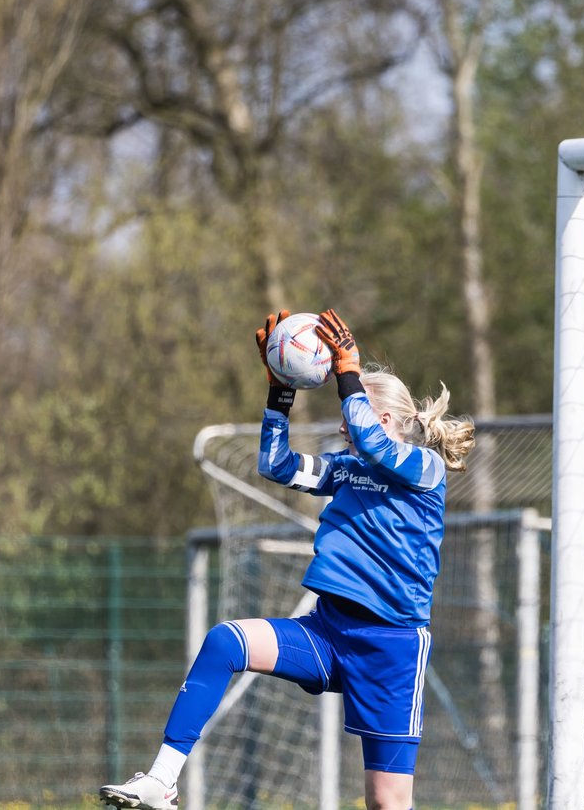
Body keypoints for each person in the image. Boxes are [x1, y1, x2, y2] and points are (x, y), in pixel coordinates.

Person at [99, 308, 475, 810]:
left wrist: (347, 373)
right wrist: (280, 391)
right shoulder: (346, 471)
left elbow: (371, 441)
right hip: (327, 631)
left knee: (386, 804)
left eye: (350, 420)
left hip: (392, 649)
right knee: (225, 642)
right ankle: (163, 779)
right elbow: (275, 464)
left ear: (383, 418)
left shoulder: (424, 469)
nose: (344, 432)